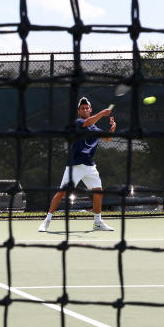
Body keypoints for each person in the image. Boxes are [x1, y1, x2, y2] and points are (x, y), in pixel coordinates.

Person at [39, 97, 116, 232]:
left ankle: (98, 222)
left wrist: (112, 128)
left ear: (90, 109)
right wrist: (102, 113)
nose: (85, 109)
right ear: (79, 111)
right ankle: (47, 221)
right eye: (82, 108)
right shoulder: (78, 122)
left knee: (98, 192)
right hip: (75, 165)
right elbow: (87, 122)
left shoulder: (95, 128)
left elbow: (108, 138)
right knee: (62, 192)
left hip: (89, 165)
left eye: (87, 108)